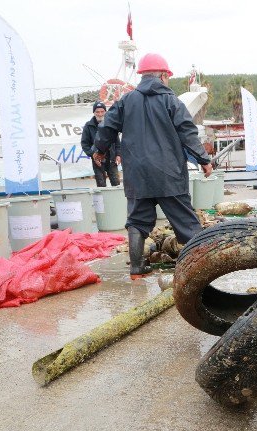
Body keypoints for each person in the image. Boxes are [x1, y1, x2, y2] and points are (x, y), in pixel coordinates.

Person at [94, 53, 212, 279]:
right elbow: (187, 132)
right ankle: (199, 270)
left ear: (142, 76)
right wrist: (203, 159)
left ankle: (136, 269)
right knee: (186, 223)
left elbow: (107, 127)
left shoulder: (126, 101)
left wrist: (99, 149)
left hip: (137, 175)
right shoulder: (172, 101)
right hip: (169, 174)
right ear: (164, 76)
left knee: (137, 221)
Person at [81, 102, 121, 187]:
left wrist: (118, 154)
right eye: (97, 112)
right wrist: (93, 155)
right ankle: (103, 200)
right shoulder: (88, 126)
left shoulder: (111, 124)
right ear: (94, 113)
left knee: (116, 183)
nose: (100, 114)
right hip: (98, 160)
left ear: (105, 112)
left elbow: (117, 142)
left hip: (112, 159)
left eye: (102, 111)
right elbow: (84, 144)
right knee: (101, 185)